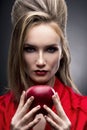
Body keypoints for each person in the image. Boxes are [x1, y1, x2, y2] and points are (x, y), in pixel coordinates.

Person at [0, 0, 87, 130]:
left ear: (63, 51)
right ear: (17, 51)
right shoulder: (1, 112)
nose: (40, 62)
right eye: (30, 49)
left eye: (50, 49)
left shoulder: (84, 112)